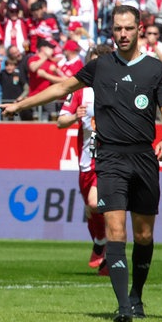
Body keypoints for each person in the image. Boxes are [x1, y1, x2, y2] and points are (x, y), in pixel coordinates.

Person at [1, 5, 162, 322]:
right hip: (108, 158)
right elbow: (62, 87)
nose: (122, 34)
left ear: (139, 29)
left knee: (144, 235)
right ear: (112, 30)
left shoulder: (154, 69)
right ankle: (123, 305)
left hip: (144, 158)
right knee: (115, 229)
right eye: (117, 28)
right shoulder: (99, 67)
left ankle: (137, 296)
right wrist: (21, 104)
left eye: (128, 28)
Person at [56, 44, 113, 274]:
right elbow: (60, 121)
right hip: (86, 161)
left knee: (95, 203)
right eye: (93, 62)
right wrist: (74, 116)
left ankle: (106, 248)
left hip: (110, 159)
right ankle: (101, 245)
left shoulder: (117, 88)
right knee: (92, 210)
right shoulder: (80, 90)